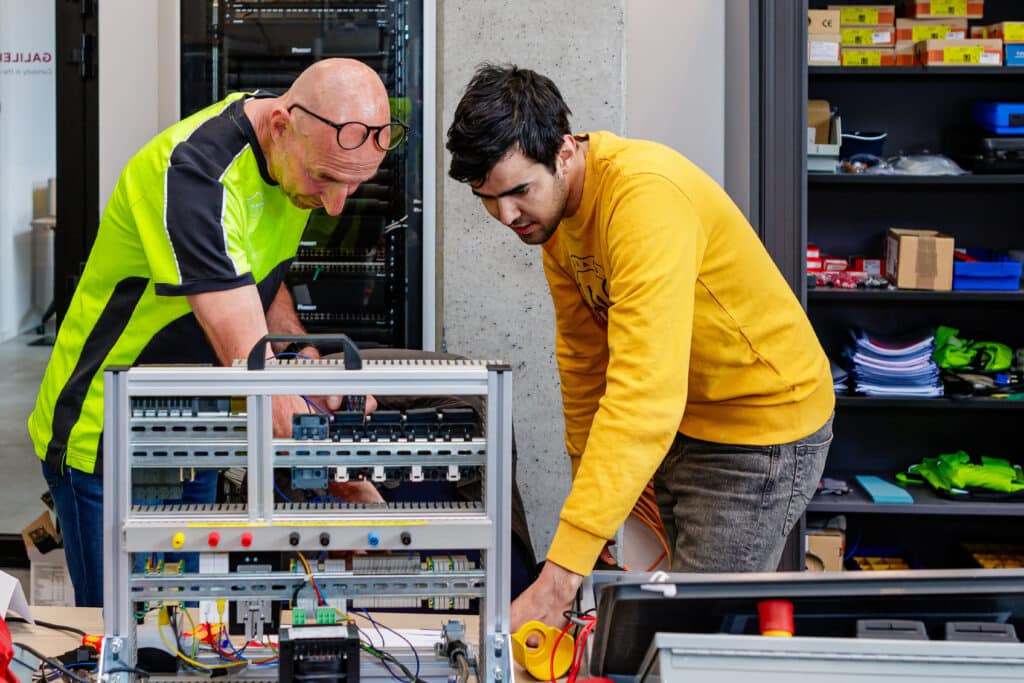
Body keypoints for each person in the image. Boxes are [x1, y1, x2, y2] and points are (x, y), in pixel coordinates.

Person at [446, 64, 835, 631]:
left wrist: (560, 577)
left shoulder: (643, 200)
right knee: (667, 626)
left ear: (563, 151)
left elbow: (644, 393)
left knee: (694, 638)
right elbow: (585, 368)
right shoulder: (555, 221)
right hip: (686, 419)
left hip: (759, 428)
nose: (506, 216)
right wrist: (593, 520)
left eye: (518, 191)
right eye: (487, 198)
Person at [28, 58, 401, 606]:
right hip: (109, 436)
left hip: (194, 430)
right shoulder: (193, 175)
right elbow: (250, 367)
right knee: (126, 631)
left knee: (188, 626)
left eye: (353, 184)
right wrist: (346, 475)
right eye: (325, 179)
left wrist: (304, 356)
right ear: (281, 126)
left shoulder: (293, 146)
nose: (334, 203)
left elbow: (258, 277)